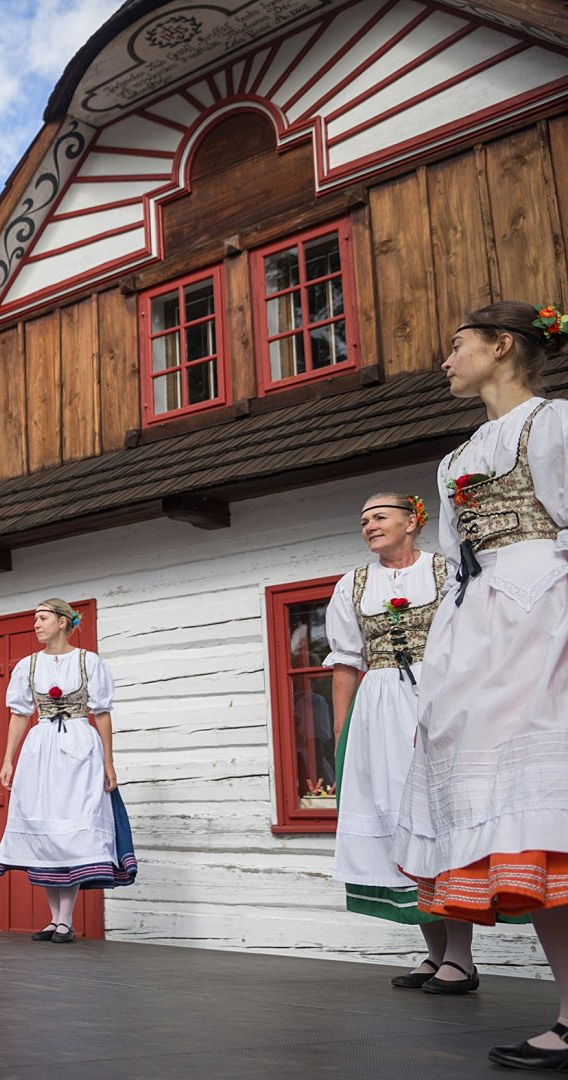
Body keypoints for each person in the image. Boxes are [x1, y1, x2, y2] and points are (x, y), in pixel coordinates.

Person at [393, 301, 568, 1071]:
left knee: (550, 798)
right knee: (521, 818)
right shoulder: (456, 460)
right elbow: (460, 559)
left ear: (502, 347)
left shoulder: (555, 426)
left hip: (548, 611)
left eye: (458, 345)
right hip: (481, 625)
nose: (446, 360)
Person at [322, 493, 497, 992]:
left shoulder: (446, 572)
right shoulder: (353, 584)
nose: (369, 526)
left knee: (441, 818)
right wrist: (343, 731)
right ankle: (436, 953)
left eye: (380, 517)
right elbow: (345, 662)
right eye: (364, 520)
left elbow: (473, 639)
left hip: (438, 696)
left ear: (412, 522)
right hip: (378, 708)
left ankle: (461, 957)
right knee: (397, 819)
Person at [0, 598, 136, 943]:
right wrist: (8, 758)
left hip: (80, 747)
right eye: (35, 619)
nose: (36, 624)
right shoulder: (28, 666)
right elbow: (19, 714)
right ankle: (55, 919)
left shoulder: (89, 662)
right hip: (41, 748)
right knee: (47, 827)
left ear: (62, 622)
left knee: (71, 830)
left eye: (43, 618)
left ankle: (66, 920)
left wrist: (108, 761)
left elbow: (102, 713)